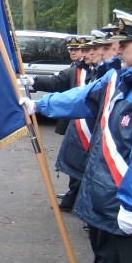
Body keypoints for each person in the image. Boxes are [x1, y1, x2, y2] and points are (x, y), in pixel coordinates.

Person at [20, 10, 132, 263]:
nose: (116, 50)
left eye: (123, 44)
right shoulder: (120, 78)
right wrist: (40, 105)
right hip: (107, 200)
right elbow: (84, 97)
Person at [19, 36, 92, 212]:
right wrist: (34, 81)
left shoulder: (97, 70)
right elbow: (57, 82)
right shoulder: (76, 68)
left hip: (90, 124)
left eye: (78, 49)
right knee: (75, 160)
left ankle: (76, 199)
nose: (73, 52)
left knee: (85, 163)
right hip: (77, 124)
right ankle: (74, 195)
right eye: (71, 49)